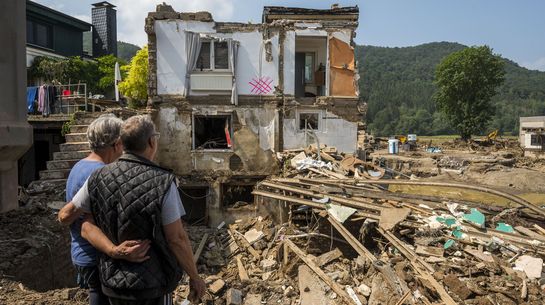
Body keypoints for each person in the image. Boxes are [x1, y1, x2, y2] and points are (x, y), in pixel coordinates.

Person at [69, 115, 206, 305]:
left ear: (122, 143)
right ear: (151, 142)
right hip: (152, 285)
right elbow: (176, 238)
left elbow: (84, 227)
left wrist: (114, 251)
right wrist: (195, 277)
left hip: (113, 282)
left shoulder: (97, 177)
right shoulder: (164, 182)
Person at [58, 114, 151, 305]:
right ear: (117, 144)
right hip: (96, 256)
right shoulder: (100, 173)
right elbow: (86, 224)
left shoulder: (79, 166)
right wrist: (115, 251)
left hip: (82, 254)